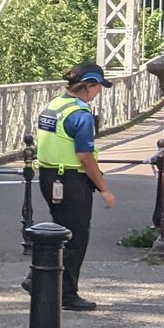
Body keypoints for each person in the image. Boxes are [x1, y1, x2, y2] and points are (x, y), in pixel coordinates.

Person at [24, 61, 117, 310]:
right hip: (71, 180)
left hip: (48, 175)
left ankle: (37, 280)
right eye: (98, 87)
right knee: (75, 238)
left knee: (59, 233)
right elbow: (85, 157)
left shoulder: (54, 105)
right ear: (89, 85)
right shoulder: (80, 114)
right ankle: (66, 293)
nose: (99, 92)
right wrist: (104, 188)